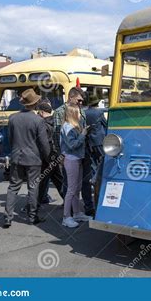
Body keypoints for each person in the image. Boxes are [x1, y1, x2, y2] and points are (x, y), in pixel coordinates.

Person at [3, 89, 50, 228]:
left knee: (13, 187)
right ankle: (32, 217)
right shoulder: (38, 120)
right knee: (33, 187)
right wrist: (47, 158)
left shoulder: (12, 118)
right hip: (34, 159)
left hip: (16, 157)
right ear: (35, 104)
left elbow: (11, 139)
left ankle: (7, 217)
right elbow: (44, 143)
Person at [53, 87, 95, 215]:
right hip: (71, 154)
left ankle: (82, 209)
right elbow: (57, 136)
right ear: (71, 97)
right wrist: (61, 156)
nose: (81, 103)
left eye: (82, 101)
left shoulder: (79, 110)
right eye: (79, 100)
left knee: (82, 184)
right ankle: (69, 214)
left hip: (82, 152)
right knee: (70, 186)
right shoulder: (61, 112)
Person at [60, 104, 92, 228]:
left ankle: (77, 213)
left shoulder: (72, 126)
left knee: (76, 188)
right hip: (71, 159)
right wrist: (83, 134)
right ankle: (66, 217)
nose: (80, 115)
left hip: (76, 159)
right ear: (73, 114)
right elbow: (72, 145)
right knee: (72, 189)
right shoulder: (68, 127)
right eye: (78, 113)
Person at [36, 100, 64, 205]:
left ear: (42, 112)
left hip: (46, 158)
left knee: (41, 183)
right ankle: (70, 204)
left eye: (38, 112)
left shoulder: (42, 124)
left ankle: (33, 207)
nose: (38, 114)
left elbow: (44, 143)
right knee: (58, 181)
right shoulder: (56, 122)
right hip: (55, 155)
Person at [85, 95, 107, 186]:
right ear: (97, 103)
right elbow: (105, 124)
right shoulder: (99, 112)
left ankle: (94, 179)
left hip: (89, 141)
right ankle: (96, 179)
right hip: (99, 140)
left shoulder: (84, 112)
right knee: (102, 159)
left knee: (93, 162)